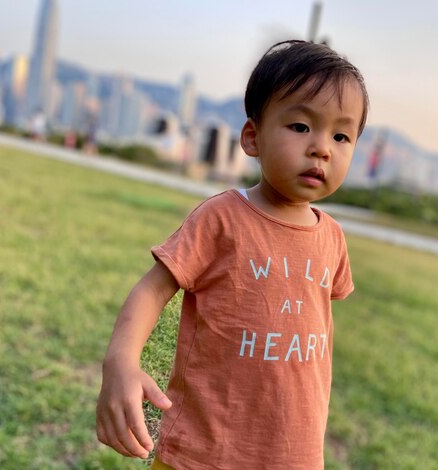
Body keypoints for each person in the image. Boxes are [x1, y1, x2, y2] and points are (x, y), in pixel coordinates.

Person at [96, 39, 369, 469]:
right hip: (203, 452)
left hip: (294, 457)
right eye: (300, 126)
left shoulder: (332, 237)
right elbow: (152, 290)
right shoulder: (221, 218)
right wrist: (121, 362)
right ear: (252, 136)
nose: (322, 147)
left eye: (341, 135)